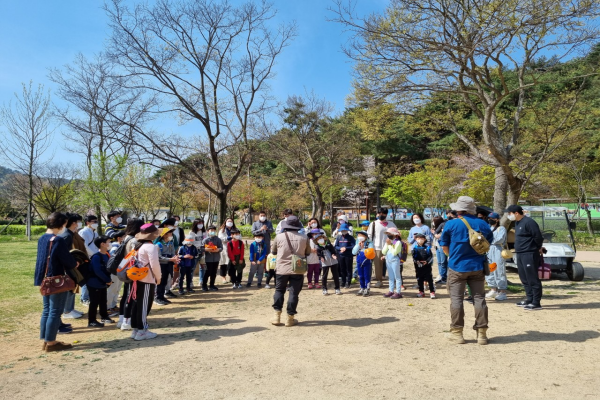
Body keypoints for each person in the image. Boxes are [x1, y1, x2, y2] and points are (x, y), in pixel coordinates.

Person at [440, 196, 494, 345]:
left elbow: (444, 245)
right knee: (479, 299)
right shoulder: (483, 224)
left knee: (456, 300)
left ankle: (457, 333)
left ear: (459, 210)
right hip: (477, 266)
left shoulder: (452, 224)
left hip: (457, 266)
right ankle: (481, 334)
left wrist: (452, 255)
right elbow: (489, 242)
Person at [35, 212, 78, 352]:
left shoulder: (42, 238)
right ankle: (52, 343)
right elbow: (67, 260)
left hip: (45, 278)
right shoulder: (57, 240)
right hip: (56, 279)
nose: (65, 226)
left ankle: (46, 340)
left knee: (47, 310)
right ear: (60, 224)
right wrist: (75, 263)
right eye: (65, 224)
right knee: (55, 311)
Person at [270, 216, 312, 327]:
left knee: (279, 290)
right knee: (294, 293)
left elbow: (273, 251)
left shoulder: (279, 237)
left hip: (281, 268)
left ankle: (276, 316)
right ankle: (290, 318)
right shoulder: (304, 237)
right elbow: (308, 252)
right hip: (297, 268)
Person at [507, 205, 545, 311]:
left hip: (529, 254)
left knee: (532, 278)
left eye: (509, 213)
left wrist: (536, 248)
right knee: (524, 278)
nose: (508, 215)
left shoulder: (529, 222)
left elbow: (538, 237)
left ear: (516, 213)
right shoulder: (518, 222)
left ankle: (536, 302)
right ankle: (529, 299)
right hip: (520, 253)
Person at [130, 223, 162, 341]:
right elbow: (155, 265)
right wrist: (158, 277)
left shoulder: (138, 245)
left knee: (137, 304)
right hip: (147, 279)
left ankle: (136, 329)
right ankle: (142, 330)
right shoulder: (150, 247)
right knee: (144, 305)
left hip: (137, 278)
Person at [117, 218, 145, 331]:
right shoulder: (133, 240)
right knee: (131, 296)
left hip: (125, 269)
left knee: (126, 296)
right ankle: (126, 321)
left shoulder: (126, 238)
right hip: (132, 271)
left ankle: (122, 318)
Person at [59, 213, 85, 320]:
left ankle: (71, 308)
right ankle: (66, 310)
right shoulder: (66, 235)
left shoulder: (71, 234)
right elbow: (63, 253)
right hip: (67, 267)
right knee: (69, 287)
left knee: (73, 286)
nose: (79, 224)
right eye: (78, 221)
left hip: (71, 264)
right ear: (74, 223)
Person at [87, 235, 114, 328]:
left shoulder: (106, 254)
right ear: (102, 244)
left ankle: (104, 316)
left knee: (103, 300)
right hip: (94, 283)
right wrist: (107, 280)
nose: (110, 243)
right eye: (108, 242)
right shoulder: (96, 257)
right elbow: (97, 271)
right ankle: (92, 320)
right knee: (94, 302)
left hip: (102, 283)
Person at [367, 208, 397, 288]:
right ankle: (379, 280)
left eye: (383, 213)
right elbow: (369, 236)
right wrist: (371, 247)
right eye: (379, 213)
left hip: (390, 248)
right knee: (378, 265)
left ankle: (393, 280)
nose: (381, 215)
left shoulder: (391, 224)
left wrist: (393, 244)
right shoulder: (373, 224)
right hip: (378, 247)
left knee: (392, 264)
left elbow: (396, 236)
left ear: (386, 214)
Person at [485, 212, 508, 301]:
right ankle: (493, 289)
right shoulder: (488, 228)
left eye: (492, 219)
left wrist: (489, 240)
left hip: (498, 250)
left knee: (499, 270)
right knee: (490, 269)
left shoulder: (501, 228)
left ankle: (502, 291)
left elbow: (500, 239)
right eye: (489, 218)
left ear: (497, 220)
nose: (490, 220)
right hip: (488, 250)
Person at [154, 227, 178, 305]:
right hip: (161, 265)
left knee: (165, 281)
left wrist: (175, 258)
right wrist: (170, 259)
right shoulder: (158, 245)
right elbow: (158, 257)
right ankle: (157, 297)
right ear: (164, 235)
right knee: (160, 281)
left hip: (168, 265)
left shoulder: (170, 243)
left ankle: (162, 296)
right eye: (170, 233)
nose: (172, 235)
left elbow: (173, 253)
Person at [78, 215, 99, 306]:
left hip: (94, 257)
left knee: (92, 278)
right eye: (94, 221)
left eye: (96, 221)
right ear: (88, 222)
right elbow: (85, 246)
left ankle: (90, 296)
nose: (96, 223)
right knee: (86, 278)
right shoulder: (84, 232)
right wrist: (94, 255)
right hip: (87, 258)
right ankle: (84, 298)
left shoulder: (95, 232)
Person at [381, 228, 408, 299]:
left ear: (394, 235)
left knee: (397, 277)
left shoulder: (398, 242)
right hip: (388, 260)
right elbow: (383, 252)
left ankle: (398, 292)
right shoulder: (388, 242)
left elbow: (394, 252)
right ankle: (391, 290)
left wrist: (389, 245)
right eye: (388, 234)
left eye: (390, 234)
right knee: (390, 277)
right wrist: (387, 244)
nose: (388, 235)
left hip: (395, 261)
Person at [106, 230, 126, 316]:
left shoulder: (121, 246)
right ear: (119, 238)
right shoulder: (115, 247)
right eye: (124, 236)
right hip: (114, 272)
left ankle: (113, 305)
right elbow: (112, 260)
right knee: (112, 289)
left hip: (120, 271)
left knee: (117, 289)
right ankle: (108, 307)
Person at [314, 231, 341, 295]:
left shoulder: (329, 244)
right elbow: (319, 254)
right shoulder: (318, 247)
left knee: (335, 275)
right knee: (324, 276)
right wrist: (321, 257)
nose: (320, 239)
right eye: (318, 239)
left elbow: (333, 251)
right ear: (316, 241)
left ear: (324, 238)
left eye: (321, 238)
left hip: (333, 261)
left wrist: (333, 255)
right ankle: (324, 289)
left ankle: (337, 288)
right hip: (325, 262)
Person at [412, 233, 436, 299]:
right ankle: (421, 291)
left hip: (427, 266)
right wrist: (417, 261)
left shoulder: (427, 248)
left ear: (424, 239)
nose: (420, 240)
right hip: (418, 266)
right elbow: (414, 257)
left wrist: (427, 262)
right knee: (419, 279)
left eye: (422, 238)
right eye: (418, 238)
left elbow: (431, 257)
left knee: (429, 279)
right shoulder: (415, 248)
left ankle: (432, 292)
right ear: (416, 239)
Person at [352, 230, 374, 296]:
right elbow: (353, 252)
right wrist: (358, 246)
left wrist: (363, 248)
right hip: (359, 261)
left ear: (365, 237)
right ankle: (362, 287)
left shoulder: (369, 243)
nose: (359, 237)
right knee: (360, 275)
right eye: (358, 235)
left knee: (366, 275)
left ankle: (367, 288)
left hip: (367, 261)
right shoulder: (357, 243)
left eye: (361, 235)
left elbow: (371, 252)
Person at [334, 223, 356, 289]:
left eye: (345, 230)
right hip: (341, 255)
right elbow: (336, 246)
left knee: (348, 269)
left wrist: (346, 248)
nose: (343, 231)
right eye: (342, 230)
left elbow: (353, 246)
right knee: (342, 269)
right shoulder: (338, 237)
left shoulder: (351, 238)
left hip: (348, 255)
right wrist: (340, 248)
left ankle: (348, 282)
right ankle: (343, 282)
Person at [202, 225, 223, 291]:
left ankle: (212, 285)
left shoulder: (218, 239)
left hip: (216, 258)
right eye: (211, 230)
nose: (212, 232)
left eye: (214, 230)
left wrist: (218, 250)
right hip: (208, 259)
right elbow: (201, 248)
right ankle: (204, 285)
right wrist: (206, 249)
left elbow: (221, 248)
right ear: (208, 231)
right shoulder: (205, 240)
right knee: (208, 272)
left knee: (214, 272)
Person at [218, 217, 236, 283]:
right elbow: (221, 239)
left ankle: (232, 277)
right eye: (228, 221)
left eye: (231, 221)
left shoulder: (235, 230)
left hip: (233, 248)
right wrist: (230, 237)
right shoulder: (222, 230)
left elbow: (239, 237)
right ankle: (223, 278)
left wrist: (235, 238)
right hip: (224, 248)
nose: (230, 222)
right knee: (223, 264)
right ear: (225, 222)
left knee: (232, 264)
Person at [432, 215, 448, 285]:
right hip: (437, 246)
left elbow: (442, 236)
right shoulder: (437, 229)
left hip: (442, 246)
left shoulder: (443, 227)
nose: (433, 222)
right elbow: (435, 235)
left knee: (443, 262)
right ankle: (441, 275)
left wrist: (437, 235)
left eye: (434, 221)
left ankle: (444, 277)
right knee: (439, 262)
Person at [190, 219, 207, 286]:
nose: (201, 225)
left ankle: (201, 280)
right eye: (199, 223)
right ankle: (190, 281)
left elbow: (206, 241)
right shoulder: (192, 232)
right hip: (194, 251)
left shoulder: (204, 232)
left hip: (203, 251)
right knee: (193, 267)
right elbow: (191, 242)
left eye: (202, 223)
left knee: (203, 266)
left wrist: (203, 250)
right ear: (195, 224)